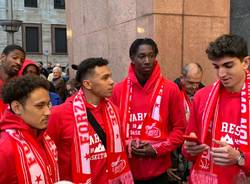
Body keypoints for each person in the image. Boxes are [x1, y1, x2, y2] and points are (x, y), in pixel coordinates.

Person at [47, 57, 134, 184]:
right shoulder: (58, 114)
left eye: (110, 76)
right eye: (105, 78)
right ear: (87, 84)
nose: (112, 82)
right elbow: (48, 156)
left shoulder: (114, 111)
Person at [112, 38, 186, 183]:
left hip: (159, 174)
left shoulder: (171, 89)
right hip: (126, 172)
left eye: (151, 56)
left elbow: (180, 129)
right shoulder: (118, 90)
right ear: (132, 58)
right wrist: (127, 143)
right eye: (142, 56)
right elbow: (111, 130)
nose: (147, 60)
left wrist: (157, 149)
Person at [183, 34, 250, 184]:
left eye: (228, 66)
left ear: (245, 62)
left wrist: (239, 158)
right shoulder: (202, 96)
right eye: (216, 67)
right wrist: (189, 149)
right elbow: (188, 148)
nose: (221, 74)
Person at [0, 75, 59, 183]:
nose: (48, 112)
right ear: (17, 107)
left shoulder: (43, 136)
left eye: (48, 104)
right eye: (40, 106)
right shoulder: (5, 148)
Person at [0, 44, 25, 119]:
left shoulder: (23, 86)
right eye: (15, 58)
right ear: (3, 57)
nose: (18, 62)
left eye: (22, 60)